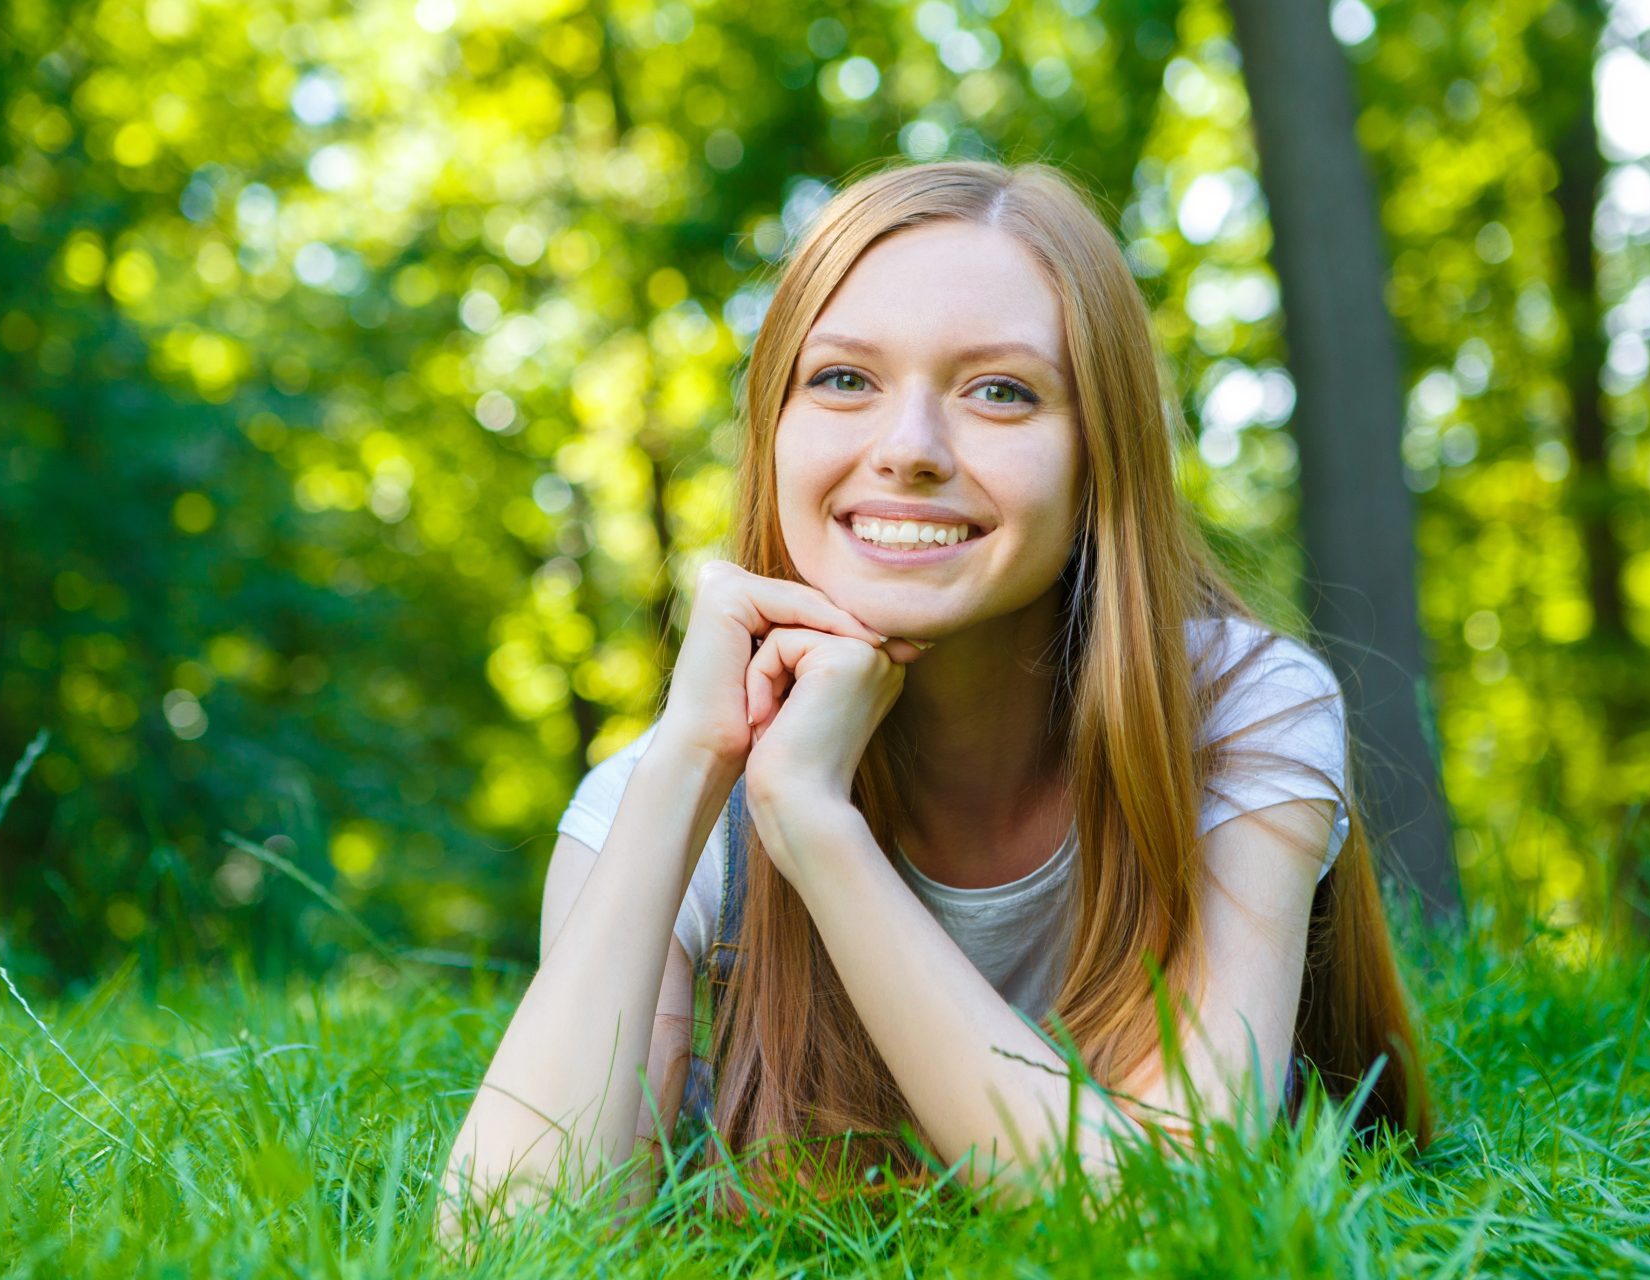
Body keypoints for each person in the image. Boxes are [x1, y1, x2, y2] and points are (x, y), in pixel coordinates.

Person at [438, 157, 1431, 1234]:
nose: (907, 449)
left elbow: (1174, 1211)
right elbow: (513, 1234)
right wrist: (688, 762)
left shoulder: (1234, 712)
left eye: (1000, 391)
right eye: (843, 380)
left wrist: (816, 824)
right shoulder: (661, 796)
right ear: (773, 432)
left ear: (1103, 455)